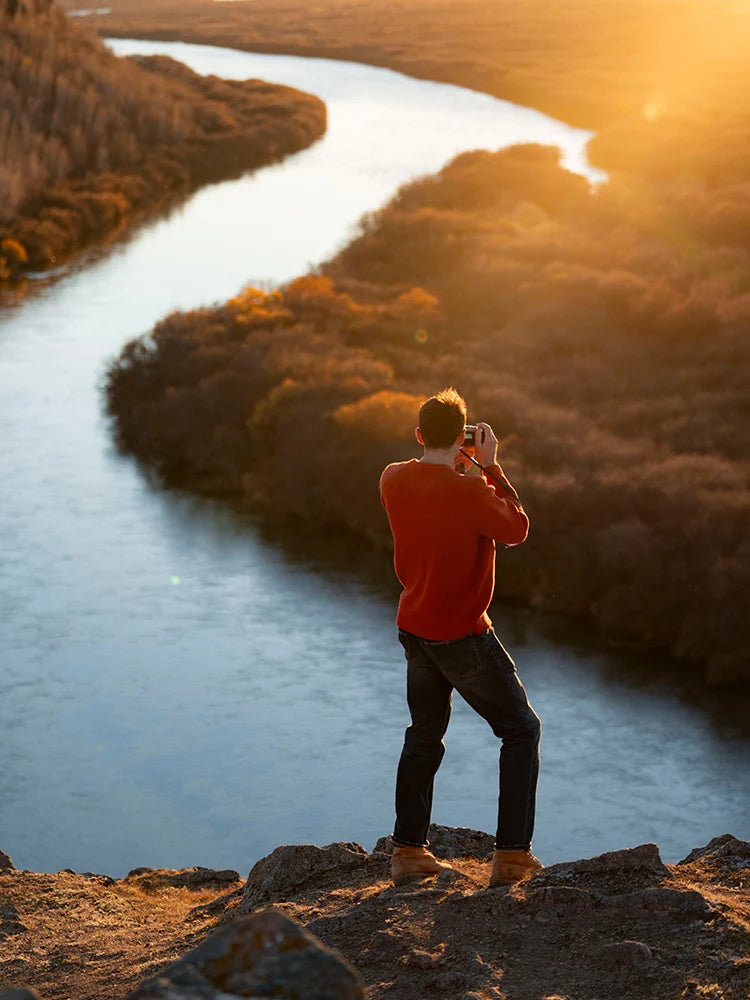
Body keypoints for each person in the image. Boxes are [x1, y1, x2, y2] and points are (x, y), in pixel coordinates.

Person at [379, 387, 542, 888]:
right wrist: (490, 467)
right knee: (520, 731)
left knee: (423, 735)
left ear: (419, 434)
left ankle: (408, 851)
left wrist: (459, 467)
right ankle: (511, 859)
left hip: (415, 627)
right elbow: (516, 529)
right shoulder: (474, 491)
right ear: (465, 438)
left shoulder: (393, 477)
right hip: (461, 635)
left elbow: (435, 498)